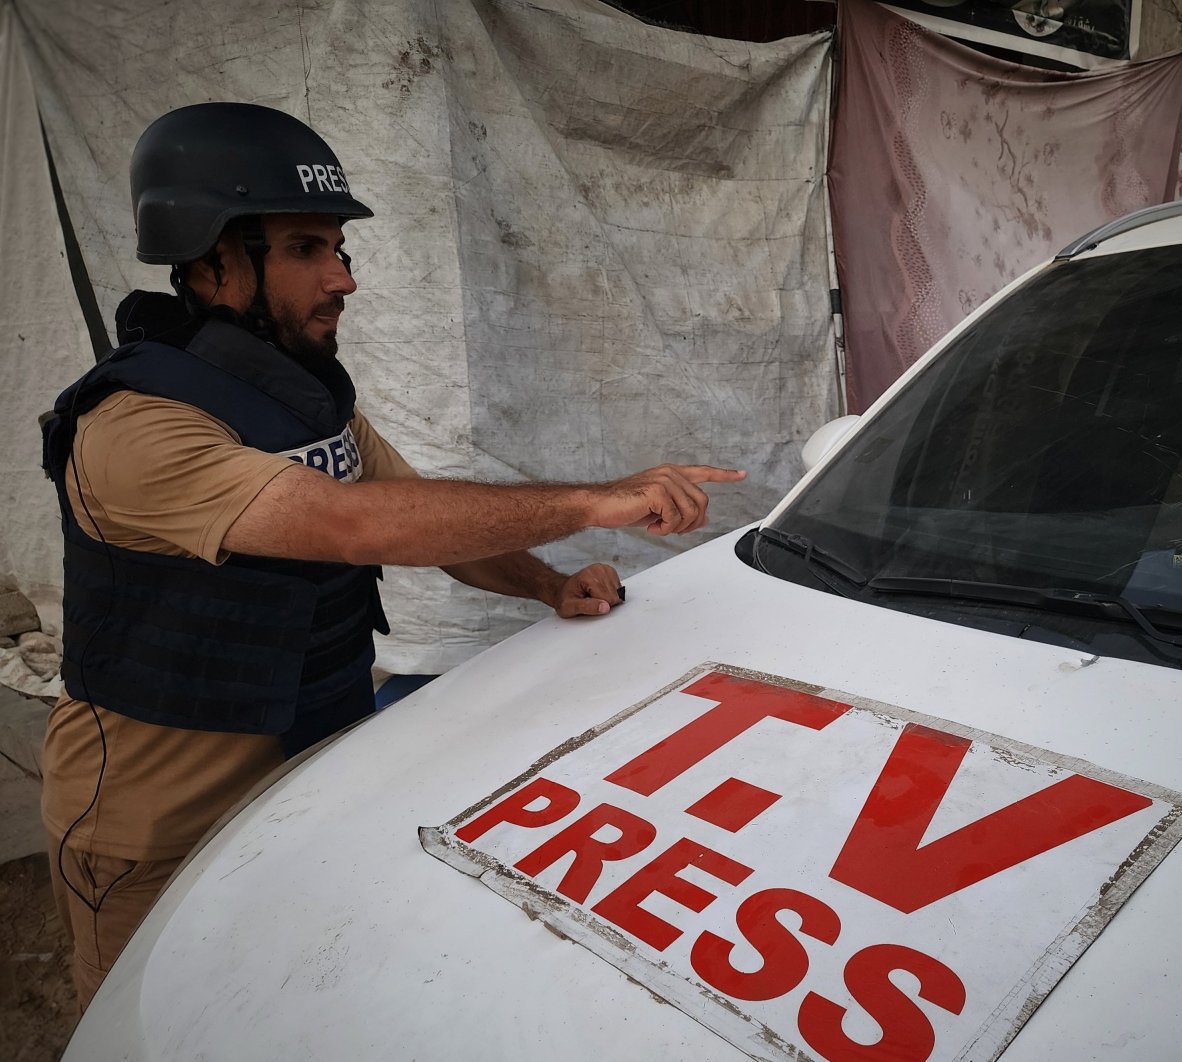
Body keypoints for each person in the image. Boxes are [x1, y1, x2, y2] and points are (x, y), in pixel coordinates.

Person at [37, 102, 744, 1008]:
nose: (342, 279)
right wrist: (593, 499)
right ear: (212, 261)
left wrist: (548, 585)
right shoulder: (135, 424)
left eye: (341, 250)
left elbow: (421, 519)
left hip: (312, 769)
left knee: (286, 1005)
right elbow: (354, 526)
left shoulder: (299, 398)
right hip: (153, 824)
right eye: (304, 250)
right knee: (149, 1024)